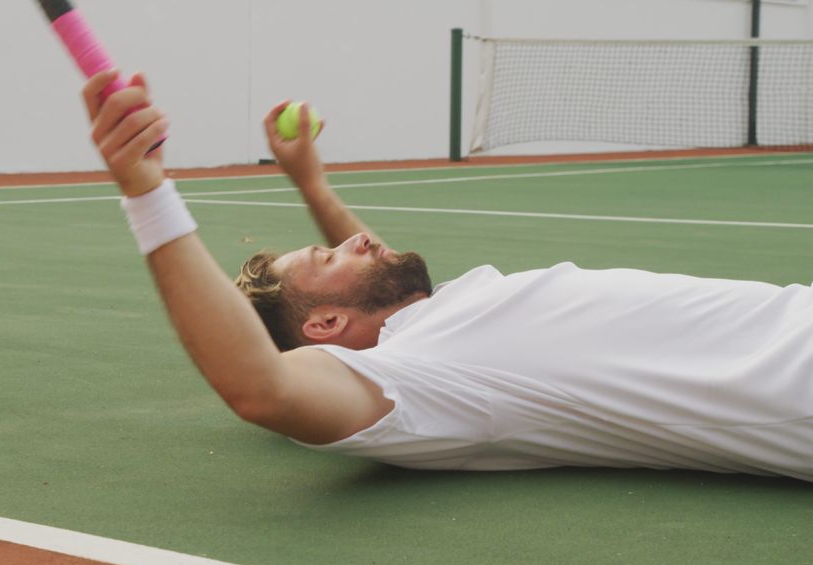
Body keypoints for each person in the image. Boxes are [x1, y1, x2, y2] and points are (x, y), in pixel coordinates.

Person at [80, 70, 813, 482]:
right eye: (328, 258)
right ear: (326, 330)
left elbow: (374, 275)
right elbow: (261, 389)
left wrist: (310, 181)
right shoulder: (420, 381)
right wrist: (148, 193)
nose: (356, 241)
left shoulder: (432, 321)